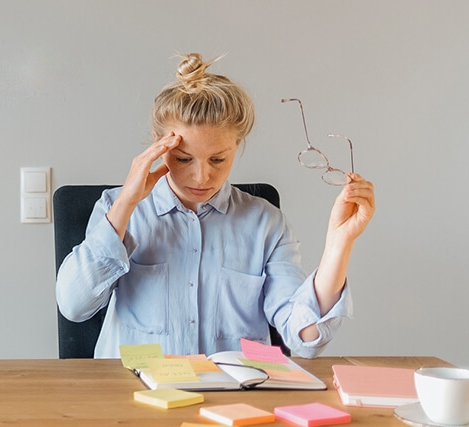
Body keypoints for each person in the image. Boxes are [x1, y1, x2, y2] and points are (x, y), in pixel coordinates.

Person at [55, 53, 375, 359]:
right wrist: (126, 203)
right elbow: (74, 306)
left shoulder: (266, 223)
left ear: (237, 145)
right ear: (158, 144)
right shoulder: (116, 208)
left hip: (232, 401)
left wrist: (339, 243)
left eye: (218, 159)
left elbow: (303, 339)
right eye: (183, 159)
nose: (202, 176)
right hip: (136, 398)